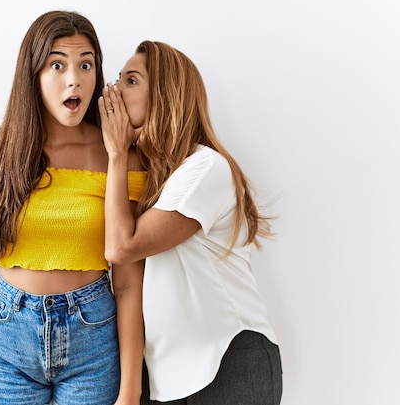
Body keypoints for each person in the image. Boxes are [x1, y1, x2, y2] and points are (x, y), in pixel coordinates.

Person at [0, 11, 146, 405]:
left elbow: (128, 284)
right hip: (8, 340)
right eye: (57, 65)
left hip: (93, 337)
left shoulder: (121, 158)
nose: (74, 78)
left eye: (86, 64)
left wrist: (130, 391)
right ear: (34, 75)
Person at [98, 40, 283, 405]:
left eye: (131, 81)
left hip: (230, 365)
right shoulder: (154, 177)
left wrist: (117, 153)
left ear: (166, 97)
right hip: (167, 378)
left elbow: (122, 247)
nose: (114, 90)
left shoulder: (204, 168)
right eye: (118, 78)